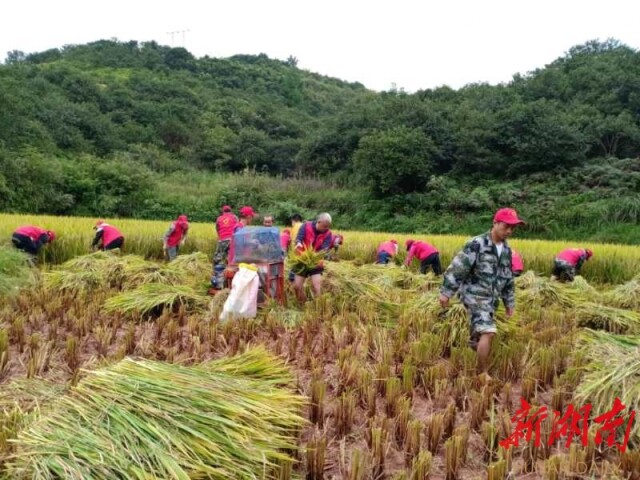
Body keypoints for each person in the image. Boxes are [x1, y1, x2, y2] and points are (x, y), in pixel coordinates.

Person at [439, 207, 525, 381]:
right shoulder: (476, 244)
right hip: (474, 295)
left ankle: (473, 351)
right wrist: (446, 292)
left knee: (477, 337)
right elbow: (458, 268)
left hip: (491, 299)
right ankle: (482, 373)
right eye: (506, 226)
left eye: (512, 228)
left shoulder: (507, 251)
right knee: (488, 331)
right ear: (495, 223)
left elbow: (507, 279)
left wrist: (509, 303)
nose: (509, 231)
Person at [212, 206, 257, 289]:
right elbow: (239, 247)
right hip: (236, 258)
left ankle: (219, 281)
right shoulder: (238, 225)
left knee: (218, 261)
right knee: (220, 263)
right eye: (252, 217)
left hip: (222, 240)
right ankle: (220, 284)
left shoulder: (220, 218)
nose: (252, 219)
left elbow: (217, 228)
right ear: (248, 217)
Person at [293, 212, 333, 303]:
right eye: (324, 226)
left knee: (317, 287)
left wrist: (316, 256)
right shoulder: (306, 226)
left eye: (327, 227)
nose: (326, 229)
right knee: (297, 286)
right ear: (318, 222)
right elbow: (299, 238)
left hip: (316, 262)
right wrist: (298, 243)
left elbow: (325, 249)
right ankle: (302, 304)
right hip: (302, 260)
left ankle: (318, 307)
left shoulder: (328, 234)